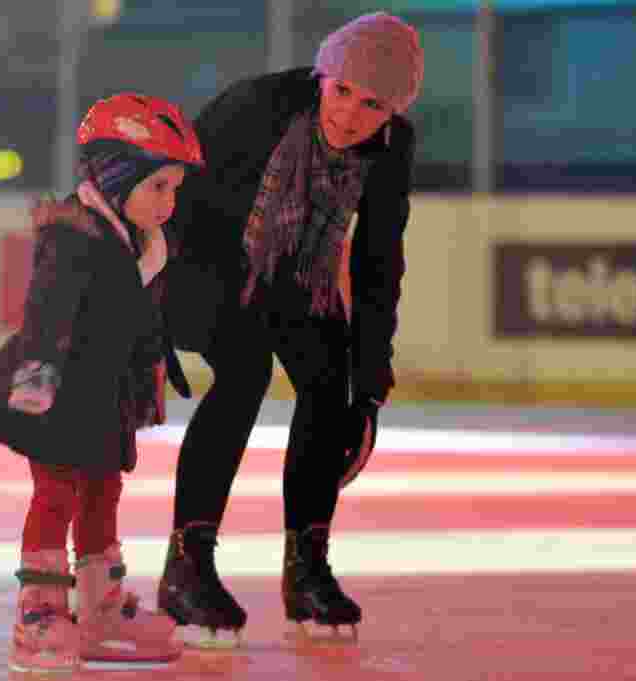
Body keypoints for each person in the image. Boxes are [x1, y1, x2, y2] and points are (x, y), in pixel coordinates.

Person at [156, 12, 424, 645]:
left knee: (333, 379)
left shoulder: (392, 147)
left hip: (296, 271)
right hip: (200, 260)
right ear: (322, 76)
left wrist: (372, 386)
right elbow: (169, 200)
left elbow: (378, 262)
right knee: (245, 369)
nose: (353, 114)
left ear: (393, 110)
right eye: (343, 92)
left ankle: (307, 567)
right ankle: (187, 564)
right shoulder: (256, 105)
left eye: (374, 104)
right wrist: (149, 305)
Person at [0, 93, 203, 673]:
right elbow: (46, 314)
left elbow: (141, 325)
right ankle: (40, 612)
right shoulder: (74, 234)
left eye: (175, 188)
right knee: (56, 495)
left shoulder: (142, 241)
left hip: (103, 398)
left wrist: (145, 383)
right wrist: (35, 384)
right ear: (117, 177)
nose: (169, 203)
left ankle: (100, 612)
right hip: (56, 395)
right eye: (158, 188)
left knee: (102, 493)